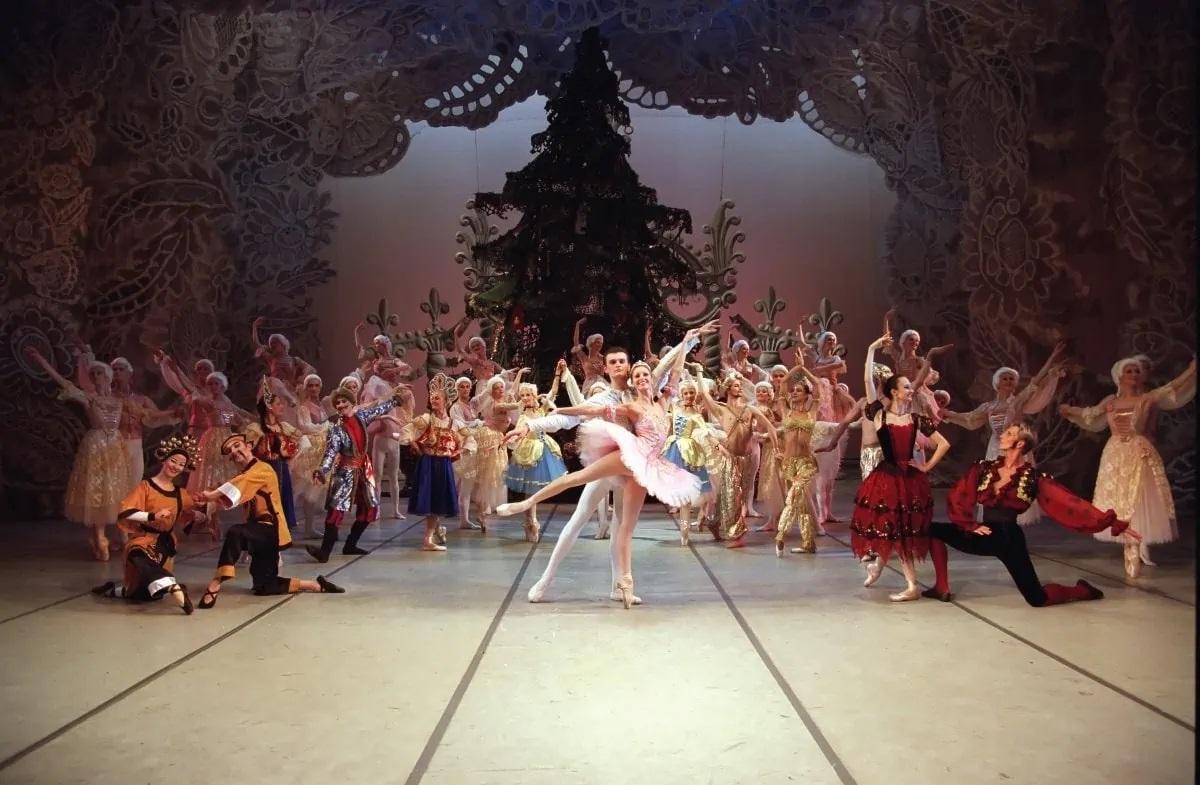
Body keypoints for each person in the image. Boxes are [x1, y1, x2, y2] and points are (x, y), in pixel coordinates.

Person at [503, 322, 717, 605]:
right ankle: (546, 579)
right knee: (579, 518)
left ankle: (619, 586)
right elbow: (567, 418)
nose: (617, 366)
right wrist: (529, 426)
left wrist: (688, 341)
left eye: (621, 362)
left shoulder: (642, 389)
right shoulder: (605, 396)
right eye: (612, 362)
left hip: (637, 467)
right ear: (605, 368)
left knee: (622, 527)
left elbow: (669, 368)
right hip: (612, 460)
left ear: (628, 366)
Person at [925, 424, 1138, 605]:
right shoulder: (984, 468)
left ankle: (1082, 591)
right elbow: (959, 495)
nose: (1002, 435)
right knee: (931, 529)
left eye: (1009, 434)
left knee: (1037, 599)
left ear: (1020, 444)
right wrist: (970, 525)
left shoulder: (1033, 477)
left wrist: (1112, 522)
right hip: (984, 534)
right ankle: (941, 587)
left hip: (1009, 539)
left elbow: (1070, 503)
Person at [1058, 355, 1195, 577]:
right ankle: (1129, 544)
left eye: (1137, 371)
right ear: (1119, 376)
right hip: (1115, 454)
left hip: (1139, 450)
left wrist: (1191, 370)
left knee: (1138, 497)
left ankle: (1137, 544)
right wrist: (1070, 410)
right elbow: (1090, 414)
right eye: (1129, 371)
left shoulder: (1147, 398)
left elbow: (1171, 387)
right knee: (1119, 498)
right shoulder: (1111, 401)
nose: (1134, 374)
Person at [195, 433, 344, 608]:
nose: (234, 452)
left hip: (268, 528)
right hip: (257, 532)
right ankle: (315, 585)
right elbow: (230, 496)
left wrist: (212, 495)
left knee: (235, 532)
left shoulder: (262, 469)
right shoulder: (244, 475)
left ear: (248, 446)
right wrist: (203, 503)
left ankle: (215, 584)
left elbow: (240, 483)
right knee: (265, 586)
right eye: (230, 452)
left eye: (237, 446)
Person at [851, 341, 951, 601]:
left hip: (909, 480)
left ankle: (909, 584)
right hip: (887, 478)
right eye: (906, 386)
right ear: (894, 392)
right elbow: (867, 379)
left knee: (900, 530)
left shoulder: (916, 419)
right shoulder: (880, 416)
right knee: (891, 528)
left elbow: (943, 444)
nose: (911, 389)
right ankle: (884, 571)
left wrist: (926, 466)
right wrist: (871, 348)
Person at [26, 348, 135, 561]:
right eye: (93, 374)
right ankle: (100, 537)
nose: (95, 376)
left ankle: (121, 535)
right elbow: (63, 382)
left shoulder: (119, 398)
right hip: (96, 445)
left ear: (108, 376)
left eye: (99, 373)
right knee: (97, 490)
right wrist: (41, 360)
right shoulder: (88, 398)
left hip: (115, 445)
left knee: (117, 489)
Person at [91, 436, 206, 613]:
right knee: (137, 554)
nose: (176, 466)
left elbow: (194, 512)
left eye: (181, 464)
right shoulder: (146, 486)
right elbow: (126, 511)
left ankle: (113, 590)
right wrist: (152, 516)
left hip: (165, 545)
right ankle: (173, 587)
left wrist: (201, 513)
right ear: (164, 460)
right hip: (143, 539)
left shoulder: (180, 494)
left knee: (144, 594)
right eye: (173, 461)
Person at [307, 382, 414, 562]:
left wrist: (395, 401)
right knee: (336, 512)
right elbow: (330, 453)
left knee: (370, 509)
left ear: (351, 402)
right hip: (344, 473)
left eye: (343, 401)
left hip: (364, 470)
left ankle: (350, 545)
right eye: (337, 403)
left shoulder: (361, 417)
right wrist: (322, 471)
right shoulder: (336, 429)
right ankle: (324, 552)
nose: (340, 405)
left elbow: (378, 409)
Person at [398, 376, 465, 552]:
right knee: (431, 500)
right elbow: (407, 431)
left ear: (446, 401)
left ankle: (436, 530)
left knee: (438, 500)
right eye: (431, 397)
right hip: (428, 464)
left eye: (437, 398)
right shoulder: (426, 419)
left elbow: (467, 439)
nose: (433, 400)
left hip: (444, 465)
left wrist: (458, 451)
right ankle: (428, 539)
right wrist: (414, 444)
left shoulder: (454, 423)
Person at [505, 378, 567, 542]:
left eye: (528, 394)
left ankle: (530, 521)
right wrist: (511, 440)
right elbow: (519, 432)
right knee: (530, 489)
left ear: (534, 395)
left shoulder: (542, 409)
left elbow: (553, 392)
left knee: (535, 490)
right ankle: (530, 521)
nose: (525, 398)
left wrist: (557, 375)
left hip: (543, 450)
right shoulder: (522, 416)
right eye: (522, 395)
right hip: (528, 452)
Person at [662, 378, 712, 545]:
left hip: (690, 455)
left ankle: (686, 530)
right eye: (686, 393)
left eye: (692, 393)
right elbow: (669, 430)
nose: (689, 395)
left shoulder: (697, 416)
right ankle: (685, 530)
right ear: (681, 394)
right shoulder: (675, 409)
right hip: (674, 453)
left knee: (688, 499)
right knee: (682, 498)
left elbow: (704, 435)